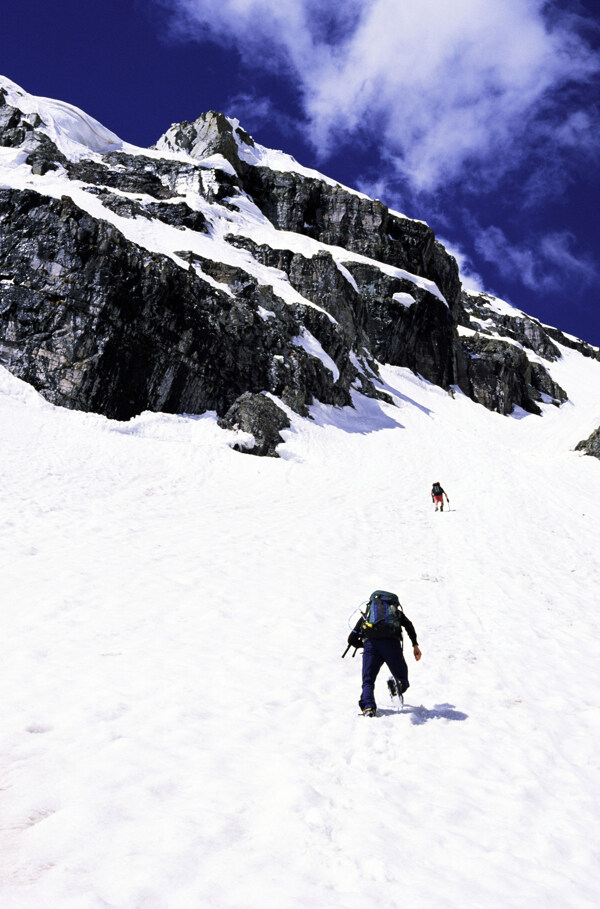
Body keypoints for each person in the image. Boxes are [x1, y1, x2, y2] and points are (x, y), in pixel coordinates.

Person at [348, 591, 422, 717]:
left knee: (368, 680)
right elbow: (409, 626)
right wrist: (415, 645)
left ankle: (368, 708)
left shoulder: (368, 615)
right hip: (391, 644)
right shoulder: (396, 613)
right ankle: (398, 685)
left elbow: (351, 639)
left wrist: (365, 646)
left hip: (371, 645)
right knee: (402, 677)